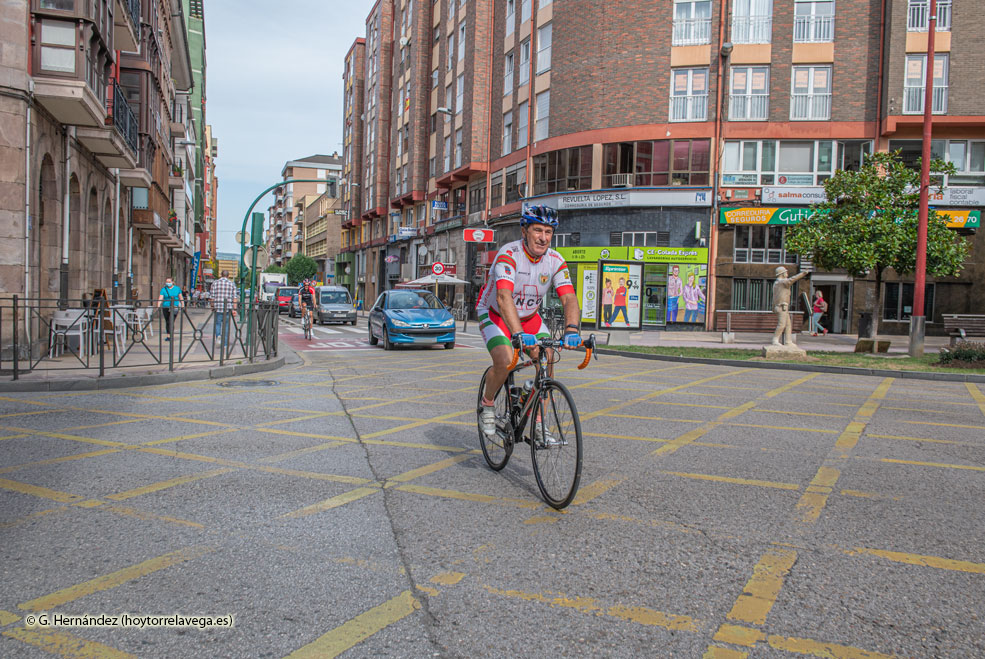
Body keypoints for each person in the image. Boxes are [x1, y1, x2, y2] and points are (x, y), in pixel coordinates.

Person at [476, 204, 580, 443]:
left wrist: (572, 328)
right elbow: (503, 298)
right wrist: (519, 334)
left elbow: (568, 297)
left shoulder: (555, 260)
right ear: (524, 231)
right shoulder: (509, 255)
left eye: (548, 232)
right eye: (537, 230)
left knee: (548, 358)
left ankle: (538, 420)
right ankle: (488, 403)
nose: (543, 238)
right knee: (505, 360)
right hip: (495, 313)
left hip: (529, 316)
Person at [772, 266, 809, 346]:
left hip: (782, 307)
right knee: (782, 324)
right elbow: (792, 279)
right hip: (781, 307)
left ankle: (788, 341)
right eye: (786, 272)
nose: (787, 274)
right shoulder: (782, 282)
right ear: (782, 274)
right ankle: (775, 340)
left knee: (788, 325)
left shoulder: (777, 283)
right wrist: (803, 273)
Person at [210, 270, 237, 344]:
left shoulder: (215, 283)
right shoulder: (231, 284)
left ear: (221, 275)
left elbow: (212, 296)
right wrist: (234, 309)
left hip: (217, 307)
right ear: (228, 276)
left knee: (217, 324)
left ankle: (218, 336)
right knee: (226, 325)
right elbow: (234, 297)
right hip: (227, 308)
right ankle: (225, 343)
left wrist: (212, 306)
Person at [156, 277, 184, 341]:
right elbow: (160, 298)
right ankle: (168, 336)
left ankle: (171, 335)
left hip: (174, 307)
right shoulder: (163, 289)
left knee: (171, 321)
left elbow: (180, 297)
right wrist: (158, 305)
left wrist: (182, 305)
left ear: (172, 282)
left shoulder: (177, 289)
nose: (168, 283)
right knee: (167, 321)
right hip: (166, 307)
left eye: (169, 282)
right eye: (167, 282)